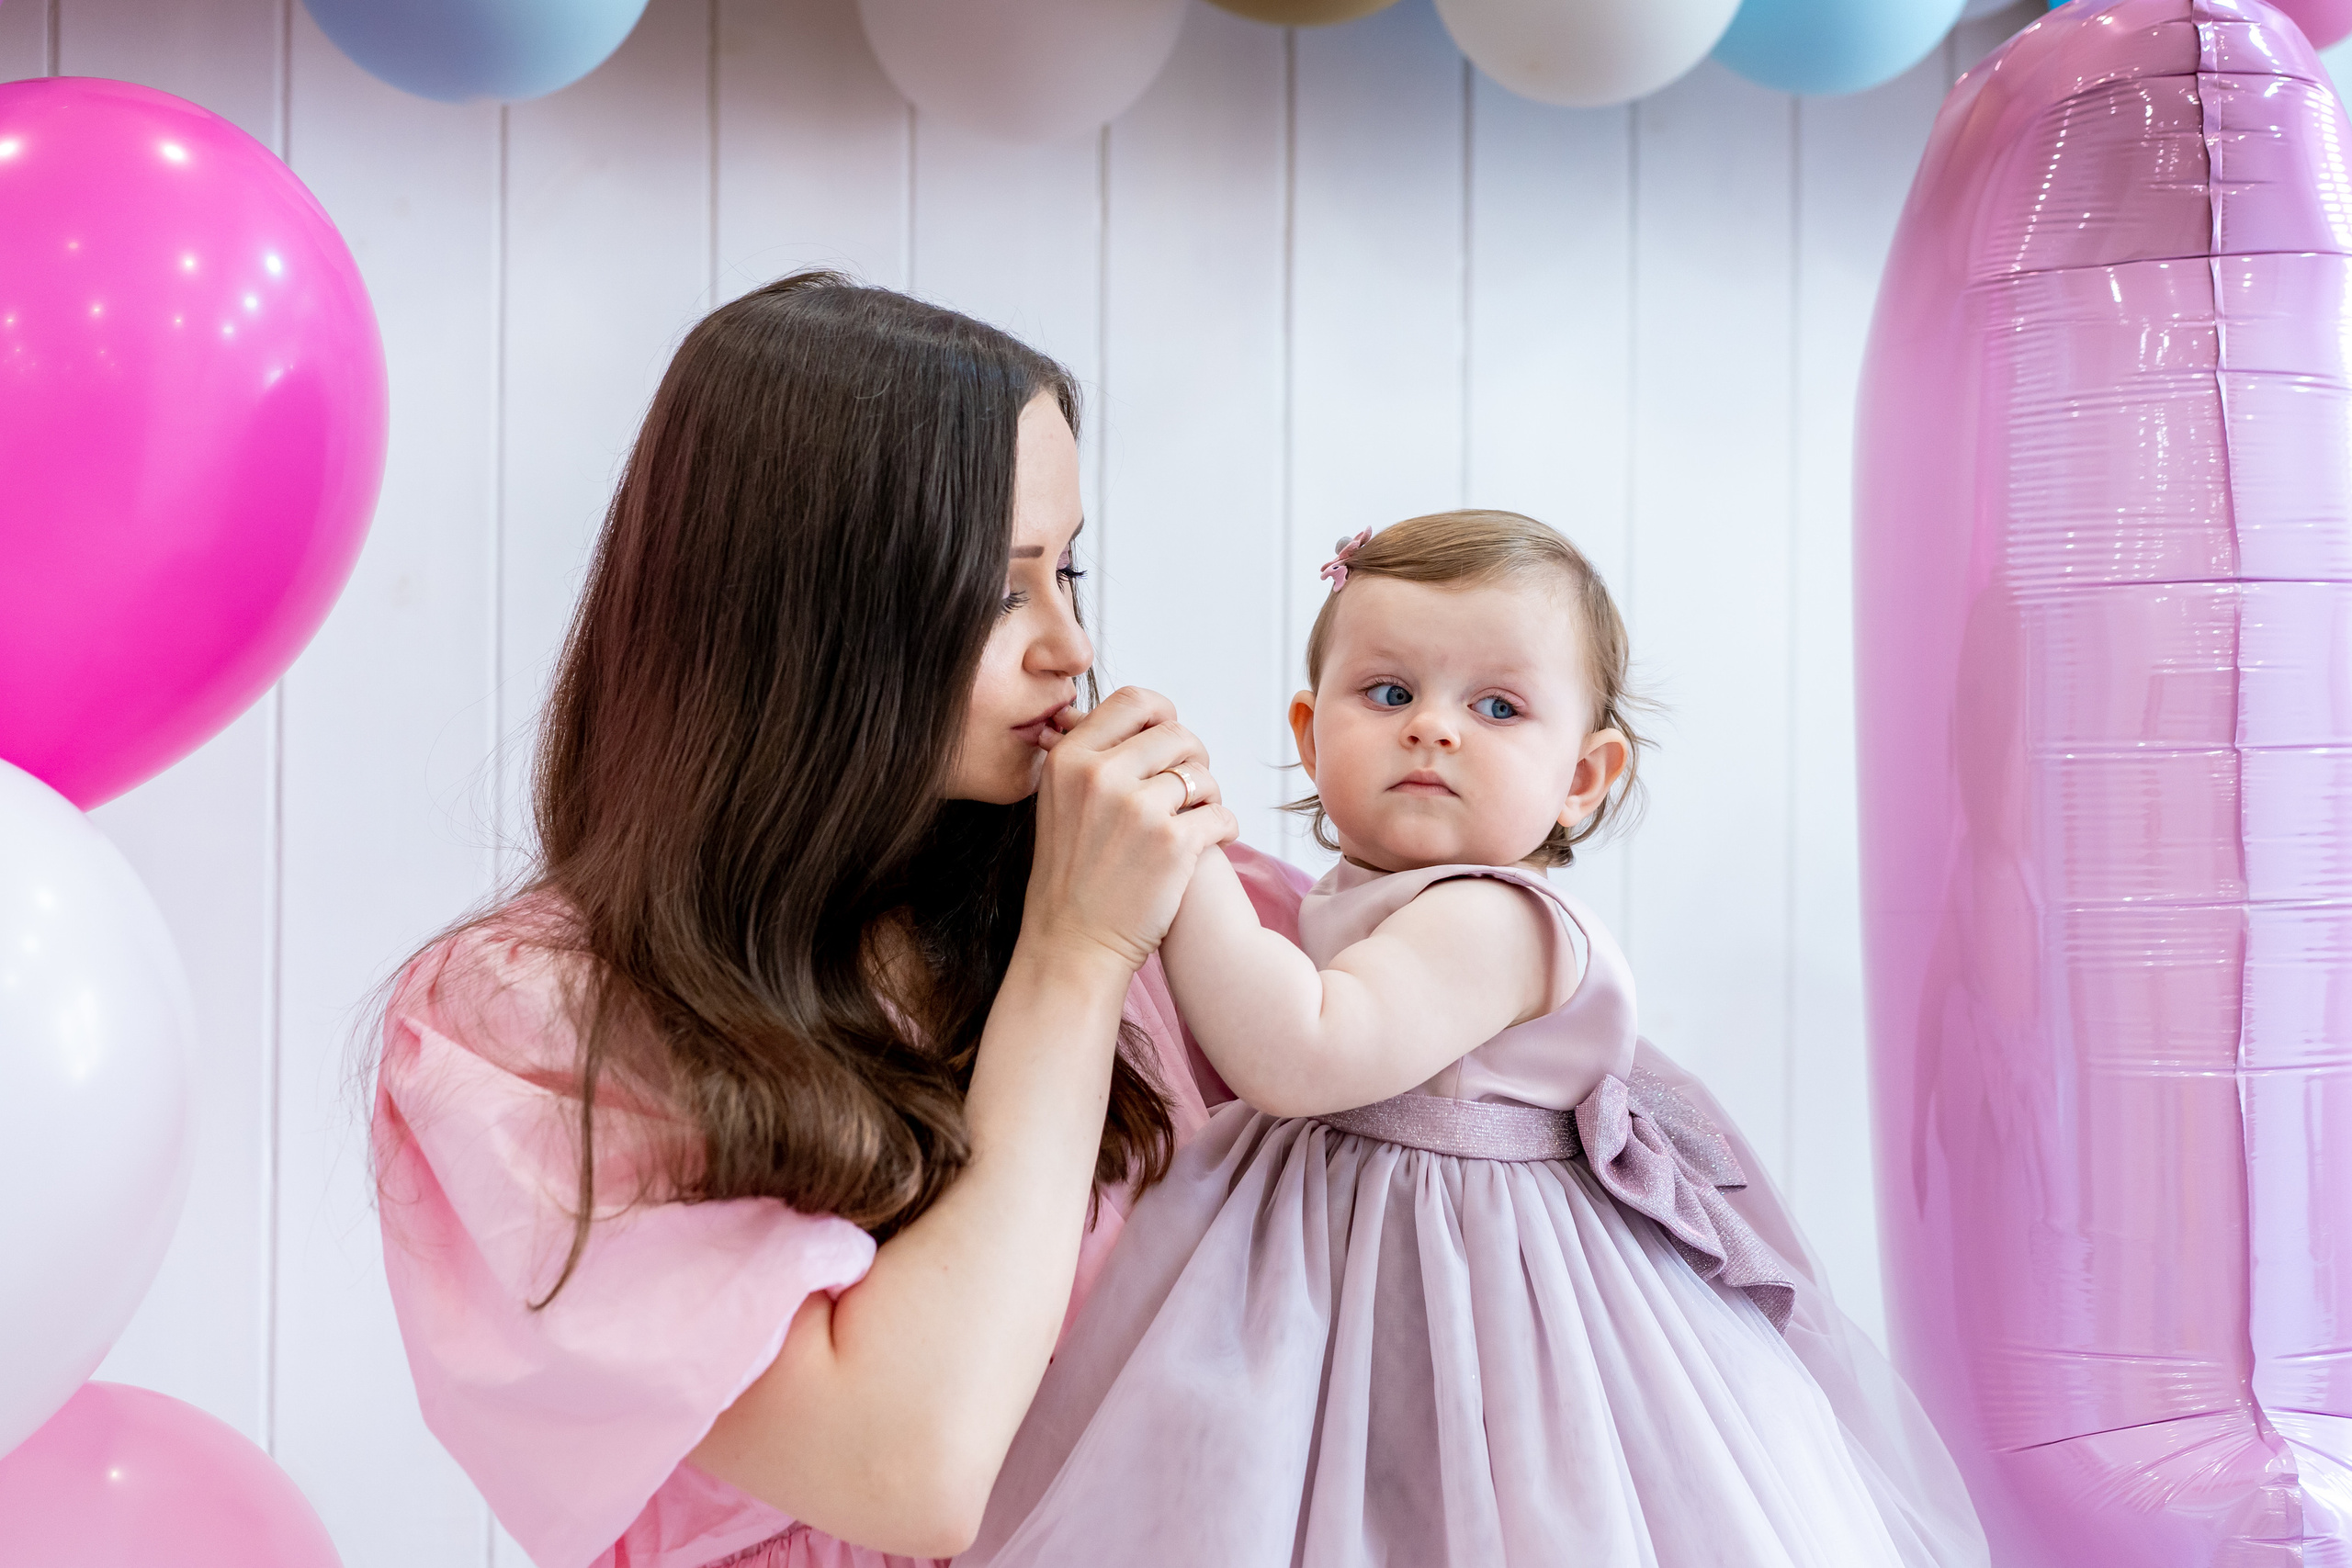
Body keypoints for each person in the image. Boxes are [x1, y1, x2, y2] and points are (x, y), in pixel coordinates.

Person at [370, 273, 1297, 1568]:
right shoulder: (524, 1026)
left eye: (1068, 568)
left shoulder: (1151, 899)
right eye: (998, 586)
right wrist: (1073, 957)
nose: (1070, 648)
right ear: (809, 607)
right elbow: (907, 1462)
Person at [961, 511, 1990, 1567]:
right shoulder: (1357, 898)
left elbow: (1301, 1050)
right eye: (1390, 693)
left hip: (1488, 1294)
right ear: (1312, 735)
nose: (1433, 728)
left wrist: (1178, 851)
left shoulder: (1497, 920)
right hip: (1343, 1266)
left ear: (1583, 777)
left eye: (1496, 707)